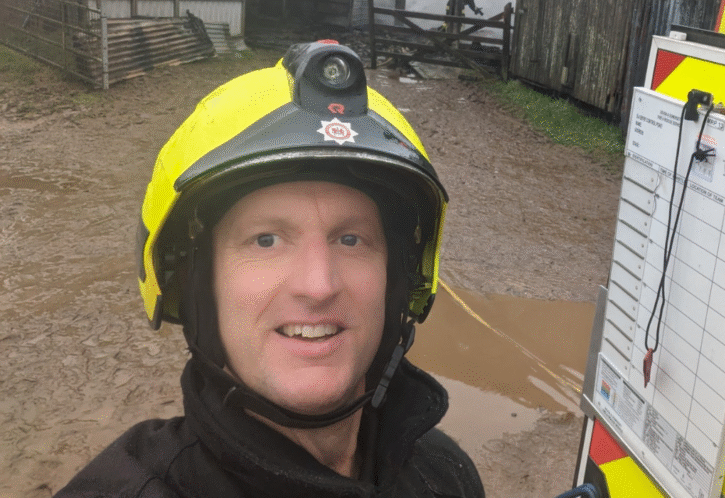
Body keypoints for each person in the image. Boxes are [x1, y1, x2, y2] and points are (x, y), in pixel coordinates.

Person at [55, 40, 484, 498]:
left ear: (397, 281)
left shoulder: (446, 474)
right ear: (199, 284)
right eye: (266, 240)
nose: (318, 286)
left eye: (351, 239)